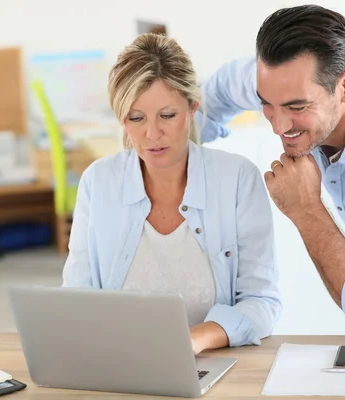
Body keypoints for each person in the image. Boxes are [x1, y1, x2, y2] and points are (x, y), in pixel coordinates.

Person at [196, 4, 345, 340]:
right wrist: (179, 148)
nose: (278, 125)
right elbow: (218, 91)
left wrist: (307, 210)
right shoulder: (282, 77)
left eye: (296, 107)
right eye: (266, 103)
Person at [62, 33, 281, 353]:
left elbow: (262, 302)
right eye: (136, 118)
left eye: (167, 115)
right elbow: (76, 298)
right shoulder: (98, 182)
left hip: (211, 364)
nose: (152, 134)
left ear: (192, 108)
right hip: (118, 364)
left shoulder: (237, 179)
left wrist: (196, 339)